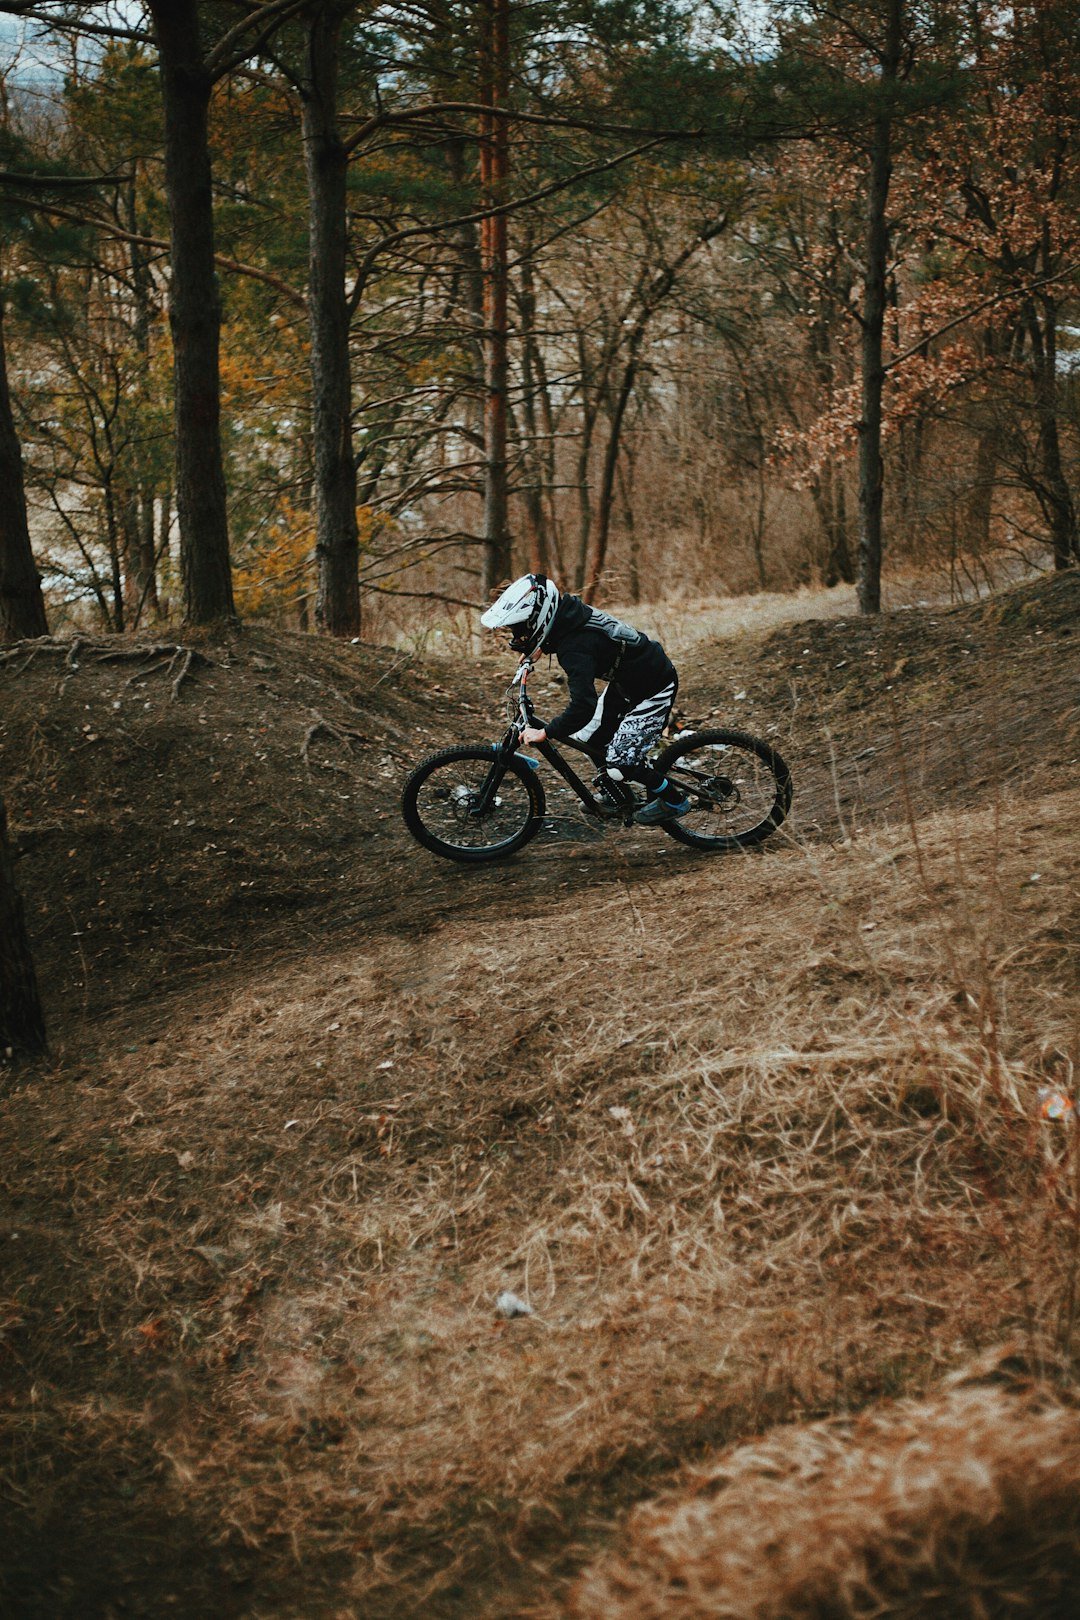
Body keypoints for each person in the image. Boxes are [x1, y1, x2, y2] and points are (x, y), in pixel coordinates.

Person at [480, 574, 691, 824]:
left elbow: (583, 706)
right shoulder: (568, 613)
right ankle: (619, 794)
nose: (518, 636)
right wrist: (536, 648)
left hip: (654, 686)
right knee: (590, 739)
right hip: (628, 682)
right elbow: (567, 635)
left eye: (520, 629)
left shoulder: (575, 648)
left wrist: (547, 732)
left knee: (620, 762)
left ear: (539, 619)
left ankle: (674, 801)